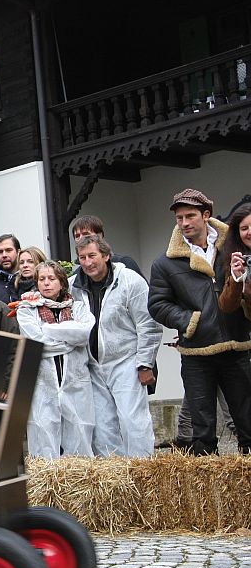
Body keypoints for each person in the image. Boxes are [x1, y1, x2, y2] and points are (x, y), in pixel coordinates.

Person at [149, 189, 251, 455]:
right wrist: (190, 321)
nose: (184, 223)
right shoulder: (164, 263)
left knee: (248, 421)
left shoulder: (234, 248)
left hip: (237, 346)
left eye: (190, 215)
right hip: (197, 353)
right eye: (179, 218)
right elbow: (157, 305)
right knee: (201, 429)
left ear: (206, 215)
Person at [70, 235, 160, 457]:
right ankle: (115, 482)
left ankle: (142, 473)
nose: (88, 262)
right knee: (103, 428)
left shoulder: (130, 281)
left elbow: (148, 325)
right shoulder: (73, 286)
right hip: (91, 365)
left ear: (106, 255)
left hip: (126, 360)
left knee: (133, 421)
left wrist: (145, 364)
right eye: (82, 257)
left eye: (92, 256)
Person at [15, 261, 96, 459]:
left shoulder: (78, 307)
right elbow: (37, 342)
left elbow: (85, 333)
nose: (46, 283)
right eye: (41, 279)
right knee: (43, 430)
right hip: (43, 381)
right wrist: (69, 339)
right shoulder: (27, 309)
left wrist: (49, 330)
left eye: (51, 278)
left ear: (61, 282)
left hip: (76, 380)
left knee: (79, 429)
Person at [71, 215, 145, 280]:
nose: (81, 238)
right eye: (77, 236)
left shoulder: (124, 263)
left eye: (86, 234)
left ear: (100, 235)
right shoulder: (77, 275)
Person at [0, 234, 21, 304]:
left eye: (8, 250)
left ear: (18, 252)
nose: (4, 255)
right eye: (0, 252)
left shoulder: (29, 280)